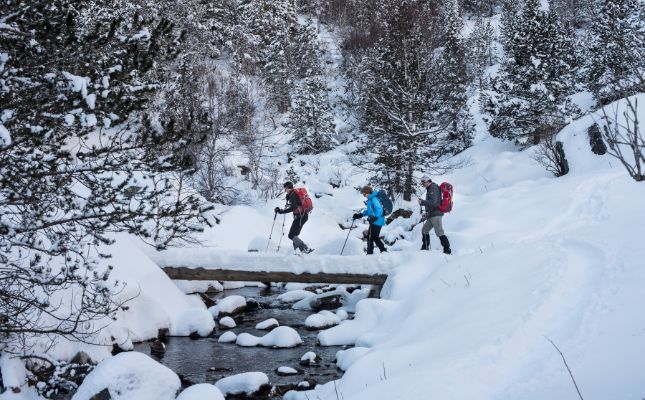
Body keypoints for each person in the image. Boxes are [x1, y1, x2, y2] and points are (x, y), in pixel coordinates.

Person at [275, 181, 313, 253]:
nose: (284, 190)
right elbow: (297, 204)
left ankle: (305, 249)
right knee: (294, 235)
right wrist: (289, 198)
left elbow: (293, 208)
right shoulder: (294, 193)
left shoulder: (293, 194)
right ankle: (297, 251)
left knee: (291, 235)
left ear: (288, 188)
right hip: (303, 216)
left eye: (285, 188)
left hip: (300, 217)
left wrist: (281, 211)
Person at [418, 175, 451, 254]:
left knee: (439, 232)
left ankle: (447, 250)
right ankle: (425, 247)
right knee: (424, 230)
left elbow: (434, 203)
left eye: (423, 182)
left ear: (427, 181)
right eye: (422, 183)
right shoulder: (430, 189)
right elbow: (432, 203)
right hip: (432, 214)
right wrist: (426, 212)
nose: (423, 184)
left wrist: (422, 202)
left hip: (436, 214)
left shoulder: (433, 188)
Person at [352, 186, 387, 255]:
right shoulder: (370, 199)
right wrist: (360, 215)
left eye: (364, 194)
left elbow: (379, 210)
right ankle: (383, 251)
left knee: (370, 236)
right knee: (374, 237)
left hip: (377, 221)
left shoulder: (374, 199)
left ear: (368, 192)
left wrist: (374, 217)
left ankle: (370, 253)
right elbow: (369, 211)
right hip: (375, 220)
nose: (364, 195)